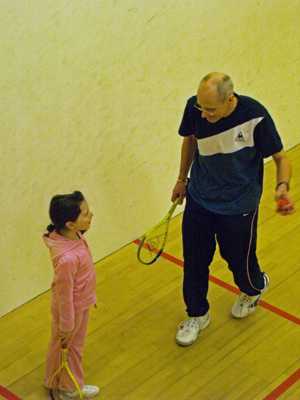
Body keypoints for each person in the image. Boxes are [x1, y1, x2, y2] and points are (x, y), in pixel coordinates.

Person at [172, 72, 294, 347]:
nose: (203, 114)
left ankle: (253, 289)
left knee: (238, 261)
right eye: (201, 107)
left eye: (211, 109)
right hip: (200, 198)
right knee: (195, 261)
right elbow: (190, 140)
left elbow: (280, 157)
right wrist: (182, 179)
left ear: (230, 99)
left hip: (239, 205)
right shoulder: (195, 108)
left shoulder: (255, 116)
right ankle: (197, 314)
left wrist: (282, 186)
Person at [43, 191, 100, 399]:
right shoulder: (67, 259)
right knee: (74, 348)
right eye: (85, 214)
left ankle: (52, 380)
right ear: (70, 224)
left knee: (59, 345)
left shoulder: (73, 235)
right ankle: (68, 388)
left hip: (80, 304)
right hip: (72, 311)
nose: (90, 215)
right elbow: (64, 294)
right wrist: (67, 326)